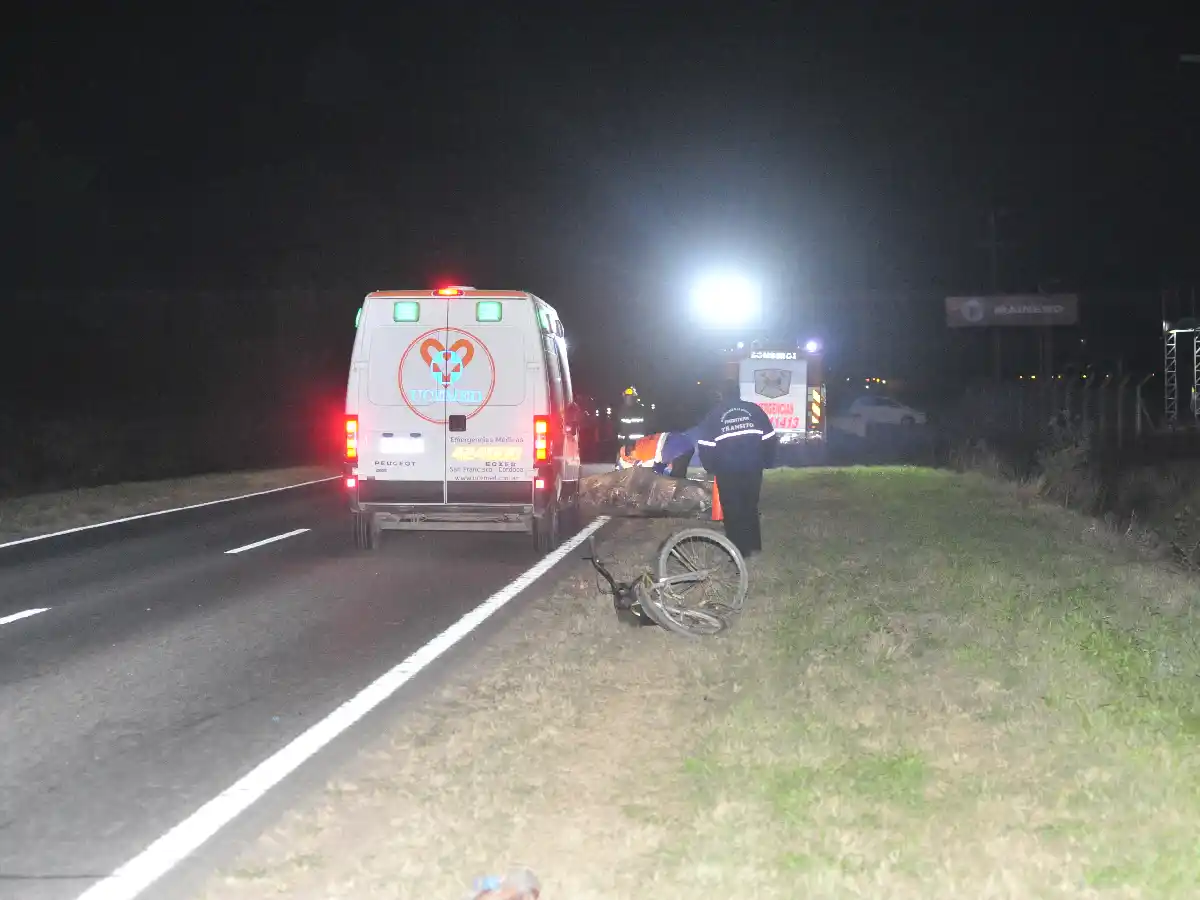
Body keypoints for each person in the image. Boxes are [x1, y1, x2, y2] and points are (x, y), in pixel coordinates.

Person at [694, 380, 778, 557]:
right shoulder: (754, 410)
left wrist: (710, 467)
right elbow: (770, 437)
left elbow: (705, 445)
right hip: (753, 467)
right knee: (750, 505)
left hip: (727, 470)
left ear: (721, 395)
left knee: (732, 509)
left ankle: (739, 551)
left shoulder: (714, 415)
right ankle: (754, 545)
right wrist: (767, 461)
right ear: (738, 393)